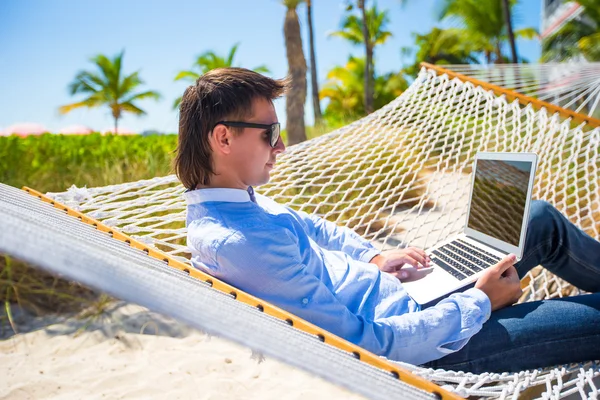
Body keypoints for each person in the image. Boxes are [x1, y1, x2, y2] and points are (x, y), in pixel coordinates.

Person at [175, 67, 600, 373]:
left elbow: (318, 230)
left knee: (536, 218)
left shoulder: (241, 204)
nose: (281, 146)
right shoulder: (240, 241)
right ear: (223, 137)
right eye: (269, 133)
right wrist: (480, 302)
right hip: (436, 344)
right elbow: (364, 345)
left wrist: (374, 257)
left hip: (409, 296)